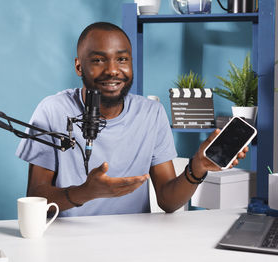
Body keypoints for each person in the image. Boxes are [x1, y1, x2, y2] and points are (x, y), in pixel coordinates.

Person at [16, 22, 248, 217]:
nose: (113, 70)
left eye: (122, 59)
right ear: (79, 66)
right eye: (98, 60)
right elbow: (36, 199)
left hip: (133, 241)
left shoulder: (151, 113)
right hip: (67, 241)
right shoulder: (52, 111)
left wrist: (197, 168)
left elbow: (168, 201)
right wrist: (85, 192)